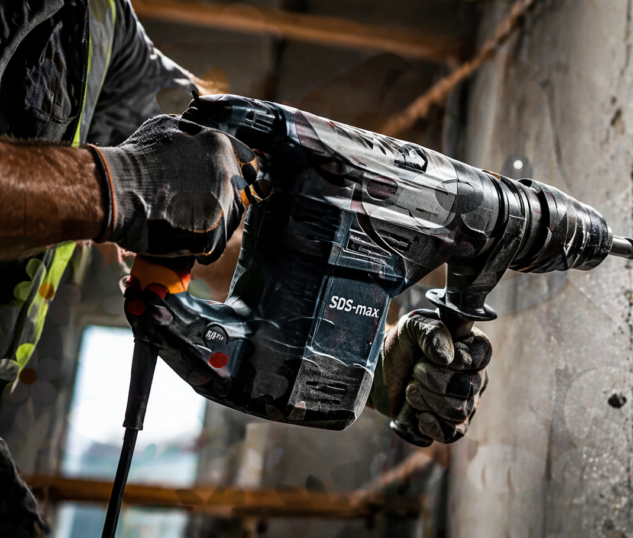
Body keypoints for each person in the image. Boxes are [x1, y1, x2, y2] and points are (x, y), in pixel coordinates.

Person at [0, 2, 489, 535]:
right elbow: (153, 187)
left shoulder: (97, 19)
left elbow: (213, 195)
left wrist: (340, 338)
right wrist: (116, 188)